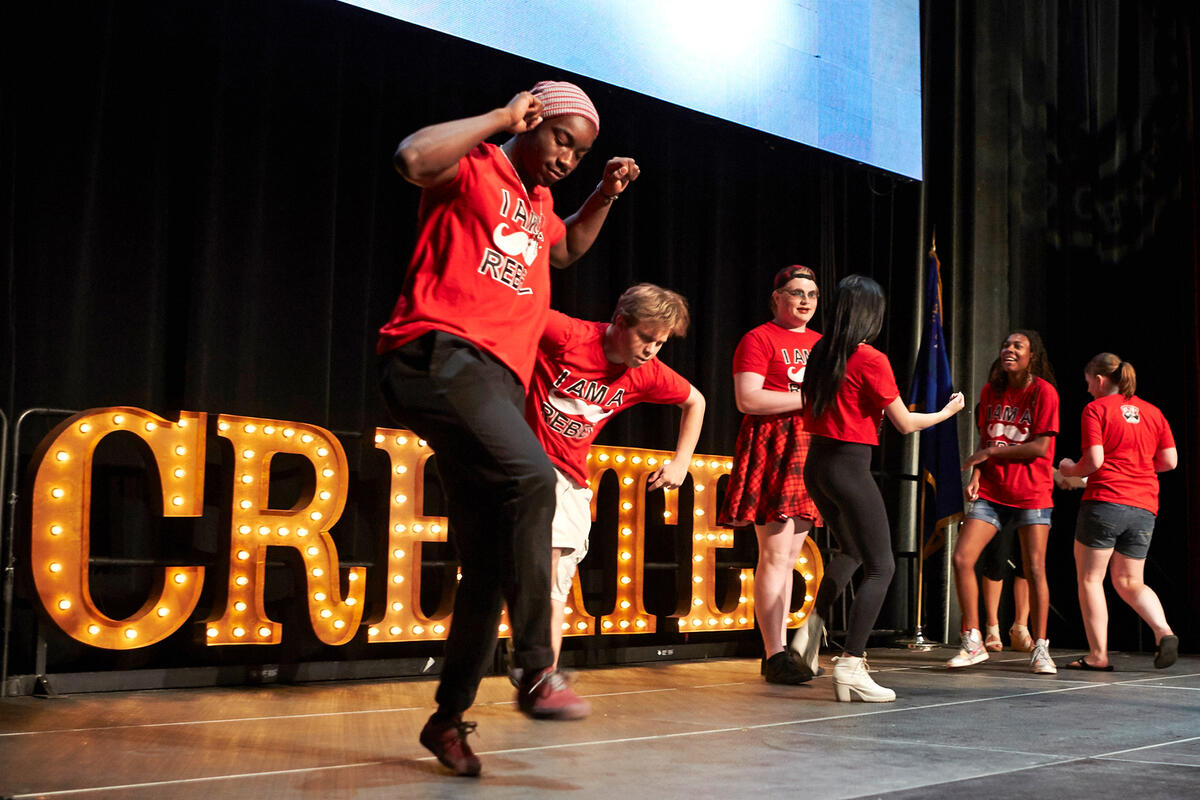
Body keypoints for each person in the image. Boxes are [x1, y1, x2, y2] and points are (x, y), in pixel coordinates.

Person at [377, 80, 640, 777]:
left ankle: (447, 720)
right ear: (531, 119)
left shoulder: (542, 202)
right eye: (559, 138)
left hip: (493, 383)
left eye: (579, 152)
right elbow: (410, 157)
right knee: (532, 475)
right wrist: (496, 117)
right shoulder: (476, 165)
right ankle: (535, 668)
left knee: (488, 567)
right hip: (437, 353)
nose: (566, 158)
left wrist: (605, 194)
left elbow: (565, 251)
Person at [801, 275, 964, 702]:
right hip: (850, 467)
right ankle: (851, 665)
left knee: (852, 551)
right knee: (882, 567)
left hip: (817, 465)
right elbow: (906, 424)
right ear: (870, 314)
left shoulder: (820, 350)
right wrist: (947, 412)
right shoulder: (869, 358)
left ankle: (812, 629)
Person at [527, 284, 705, 669]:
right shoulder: (569, 336)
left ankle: (540, 675)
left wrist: (681, 462)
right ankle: (536, 666)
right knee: (540, 566)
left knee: (556, 580)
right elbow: (513, 311)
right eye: (645, 338)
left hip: (569, 475)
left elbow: (696, 401)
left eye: (660, 344)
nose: (650, 351)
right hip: (524, 461)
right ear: (620, 323)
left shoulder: (646, 373)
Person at [717, 266, 823, 685]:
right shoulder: (759, 339)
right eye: (796, 292)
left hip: (812, 447)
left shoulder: (821, 343)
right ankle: (774, 652)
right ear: (776, 297)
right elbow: (748, 398)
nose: (805, 301)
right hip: (776, 446)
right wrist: (806, 398)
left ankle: (786, 649)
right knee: (776, 556)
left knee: (792, 557)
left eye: (812, 294)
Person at [1057, 353, 1178, 671]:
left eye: (1088, 383)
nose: (1087, 390)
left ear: (1098, 380)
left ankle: (1098, 656)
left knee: (1090, 579)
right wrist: (1137, 467)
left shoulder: (1096, 409)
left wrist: (1070, 470)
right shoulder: (1153, 412)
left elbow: (1094, 461)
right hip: (1143, 507)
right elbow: (1170, 462)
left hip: (1105, 503)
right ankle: (1163, 631)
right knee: (1130, 581)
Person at [948, 332, 1059, 674]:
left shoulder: (1044, 392)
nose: (1008, 350)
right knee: (962, 558)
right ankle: (973, 638)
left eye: (1017, 347)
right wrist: (977, 476)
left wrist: (992, 453)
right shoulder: (990, 390)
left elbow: (1041, 448)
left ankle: (1040, 647)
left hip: (1031, 494)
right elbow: (987, 436)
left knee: (1035, 569)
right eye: (1005, 346)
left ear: (1032, 357)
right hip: (993, 492)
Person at [978, 524, 1035, 652]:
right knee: (996, 559)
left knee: (1027, 562)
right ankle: (992, 627)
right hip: (1000, 506)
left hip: (1028, 506)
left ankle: (1020, 628)